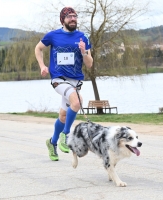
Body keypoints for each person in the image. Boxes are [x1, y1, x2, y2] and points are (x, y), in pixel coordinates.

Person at [35, 6, 93, 161]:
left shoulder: (83, 37)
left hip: (76, 81)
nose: (73, 19)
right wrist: (42, 66)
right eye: (69, 17)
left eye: (75, 16)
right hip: (59, 79)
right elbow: (38, 48)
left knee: (63, 115)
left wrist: (84, 51)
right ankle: (66, 134)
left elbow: (89, 64)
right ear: (63, 20)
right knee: (77, 101)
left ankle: (52, 142)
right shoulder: (53, 35)